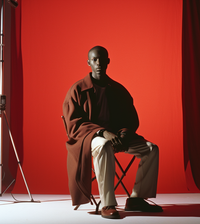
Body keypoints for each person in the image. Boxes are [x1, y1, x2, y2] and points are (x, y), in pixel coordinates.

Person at [63, 46, 162, 219]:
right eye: (95, 60)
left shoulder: (118, 90)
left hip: (118, 137)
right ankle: (108, 203)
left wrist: (124, 133)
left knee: (151, 149)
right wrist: (102, 132)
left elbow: (130, 119)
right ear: (88, 63)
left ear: (108, 61)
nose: (99, 63)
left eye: (102, 59)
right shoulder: (77, 90)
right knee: (104, 145)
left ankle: (136, 199)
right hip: (90, 138)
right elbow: (73, 125)